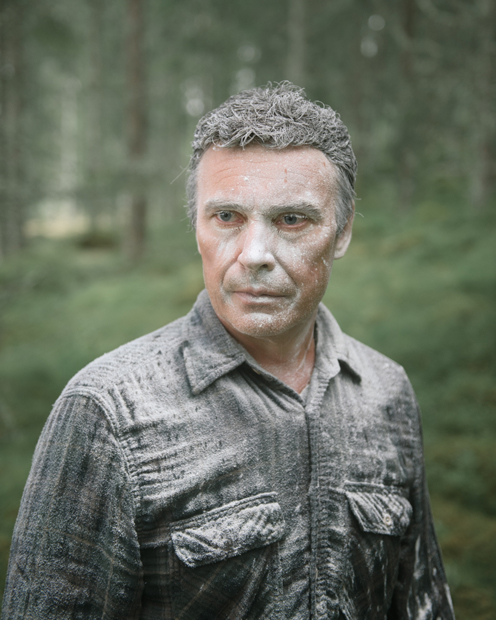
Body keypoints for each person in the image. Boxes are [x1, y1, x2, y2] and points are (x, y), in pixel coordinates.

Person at [1, 82, 455, 620]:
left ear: (341, 232)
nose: (255, 254)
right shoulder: (107, 412)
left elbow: (422, 604)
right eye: (227, 218)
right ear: (196, 226)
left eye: (292, 219)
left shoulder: (387, 391)